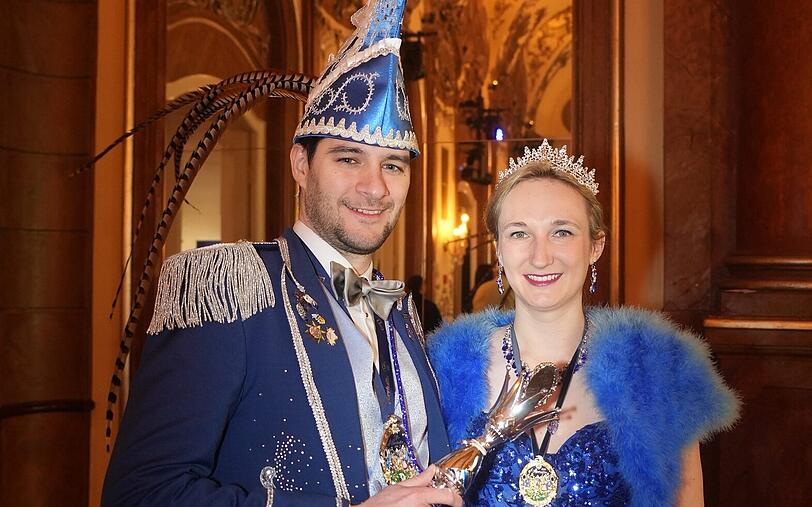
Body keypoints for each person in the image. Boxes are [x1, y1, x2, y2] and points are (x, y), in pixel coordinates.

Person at [101, 1, 461, 506]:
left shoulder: (402, 315)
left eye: (394, 166)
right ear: (300, 163)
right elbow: (141, 494)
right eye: (348, 158)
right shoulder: (230, 289)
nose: (374, 187)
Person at [427, 141, 739, 506]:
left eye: (562, 232)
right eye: (519, 233)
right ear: (498, 249)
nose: (540, 256)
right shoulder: (440, 373)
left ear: (595, 246)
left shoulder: (656, 374)